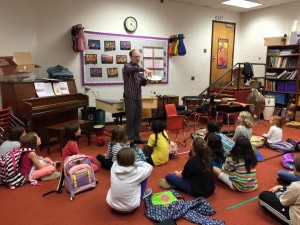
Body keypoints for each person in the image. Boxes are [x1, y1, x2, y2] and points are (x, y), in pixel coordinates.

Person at [106, 147, 153, 213]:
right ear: (133, 160)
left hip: (112, 205)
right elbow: (149, 167)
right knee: (145, 175)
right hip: (130, 208)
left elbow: (117, 161)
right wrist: (136, 163)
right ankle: (142, 195)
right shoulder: (137, 172)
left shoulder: (114, 166)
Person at [123, 49, 152, 144]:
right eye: (136, 56)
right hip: (129, 97)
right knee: (130, 119)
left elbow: (141, 83)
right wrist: (143, 69)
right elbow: (130, 69)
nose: (138, 58)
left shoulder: (139, 69)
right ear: (131, 57)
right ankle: (130, 139)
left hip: (138, 97)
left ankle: (136, 137)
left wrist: (146, 79)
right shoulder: (127, 66)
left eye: (139, 56)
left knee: (138, 119)